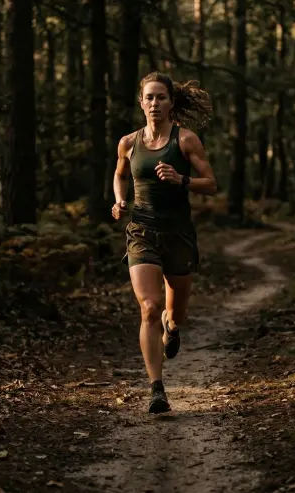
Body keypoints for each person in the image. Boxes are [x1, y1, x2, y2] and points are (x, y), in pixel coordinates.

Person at [111, 72, 217, 413]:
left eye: (161, 97)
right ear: (141, 102)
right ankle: (157, 388)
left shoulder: (185, 141)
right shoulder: (128, 143)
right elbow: (120, 174)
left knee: (175, 313)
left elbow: (211, 184)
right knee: (149, 308)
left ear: (171, 103)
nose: (154, 103)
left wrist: (181, 178)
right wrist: (119, 200)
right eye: (149, 97)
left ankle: (172, 329)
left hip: (179, 235)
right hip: (142, 232)